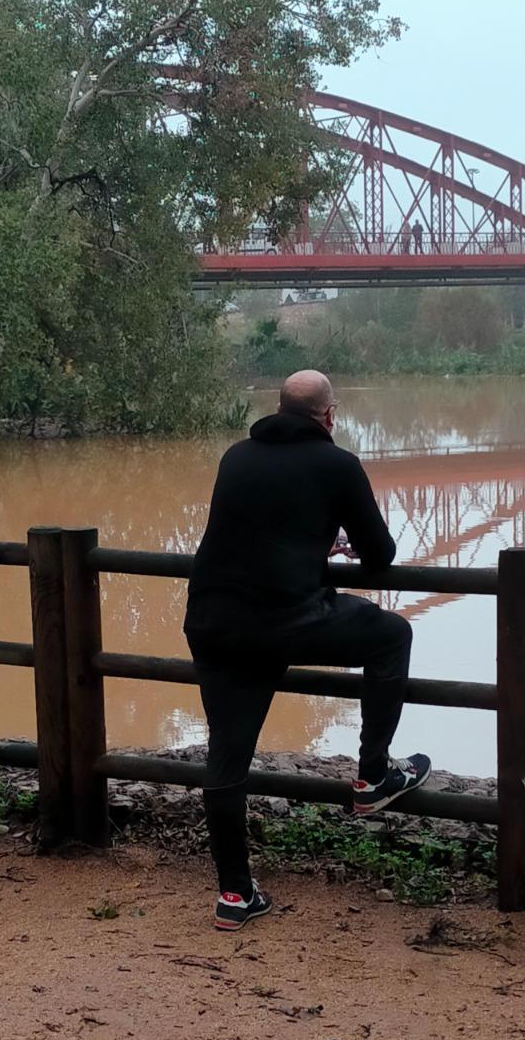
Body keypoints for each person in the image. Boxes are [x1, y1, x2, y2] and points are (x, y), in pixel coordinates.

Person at [184, 370, 431, 931]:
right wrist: (333, 542)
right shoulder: (336, 463)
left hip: (214, 621)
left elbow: (262, 534)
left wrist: (313, 541)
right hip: (286, 619)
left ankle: (235, 895)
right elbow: (380, 556)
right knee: (393, 634)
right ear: (328, 415)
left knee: (226, 755)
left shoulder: (235, 457)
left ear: (279, 408)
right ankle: (373, 778)